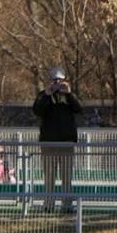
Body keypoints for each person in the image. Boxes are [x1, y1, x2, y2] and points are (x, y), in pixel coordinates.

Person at [33, 67, 83, 212]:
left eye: (60, 80)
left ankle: (67, 205)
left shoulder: (69, 96)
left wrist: (69, 94)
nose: (57, 83)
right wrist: (47, 95)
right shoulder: (44, 95)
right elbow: (37, 110)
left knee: (66, 176)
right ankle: (48, 205)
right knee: (49, 175)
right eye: (55, 81)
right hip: (49, 142)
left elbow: (79, 109)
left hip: (66, 142)